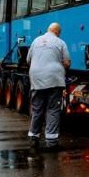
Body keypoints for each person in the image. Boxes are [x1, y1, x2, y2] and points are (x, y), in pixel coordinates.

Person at [26, 22, 71, 150]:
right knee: (53, 109)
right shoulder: (60, 42)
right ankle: (51, 142)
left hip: (37, 79)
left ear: (48, 30)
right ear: (57, 32)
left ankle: (34, 138)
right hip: (54, 79)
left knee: (37, 109)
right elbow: (67, 63)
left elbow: (28, 60)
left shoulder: (36, 41)